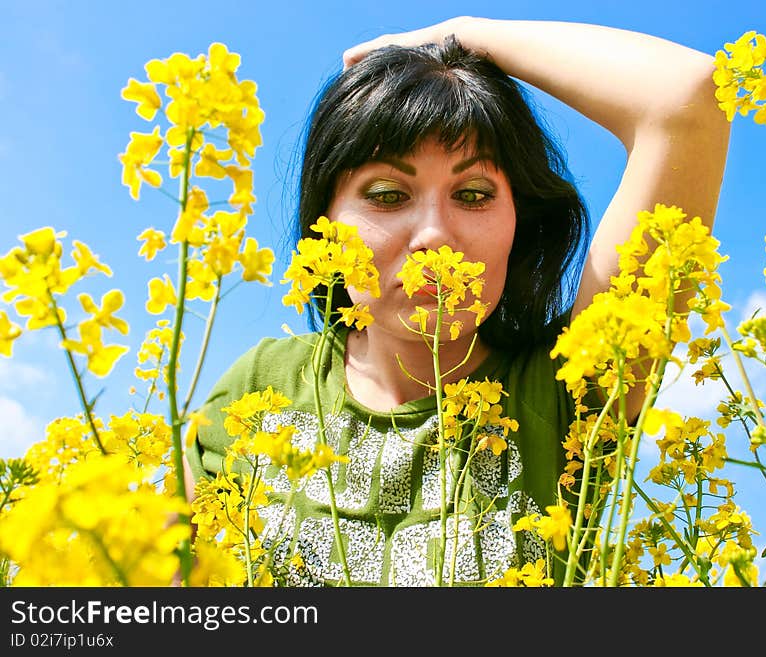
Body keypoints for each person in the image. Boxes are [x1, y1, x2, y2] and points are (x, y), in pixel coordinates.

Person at [185, 16, 730, 586]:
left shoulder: (573, 386)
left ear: (520, 222)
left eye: (472, 195)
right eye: (388, 195)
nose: (434, 236)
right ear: (324, 223)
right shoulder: (259, 386)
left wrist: (465, 35)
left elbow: (687, 98)